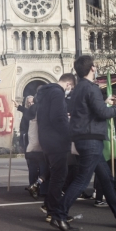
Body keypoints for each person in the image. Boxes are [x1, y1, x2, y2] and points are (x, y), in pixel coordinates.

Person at [50, 56, 116, 231]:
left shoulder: (78, 89)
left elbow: (87, 111)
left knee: (107, 179)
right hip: (91, 138)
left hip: (84, 137)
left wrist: (104, 105)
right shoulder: (91, 88)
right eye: (95, 66)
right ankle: (59, 215)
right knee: (82, 181)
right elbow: (101, 113)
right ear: (92, 68)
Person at [36, 74, 76, 223]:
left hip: (46, 139)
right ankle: (52, 211)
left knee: (55, 175)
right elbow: (58, 118)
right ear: (68, 85)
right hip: (57, 141)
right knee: (59, 177)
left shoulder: (46, 92)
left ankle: (50, 207)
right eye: (70, 88)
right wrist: (68, 133)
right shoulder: (57, 93)